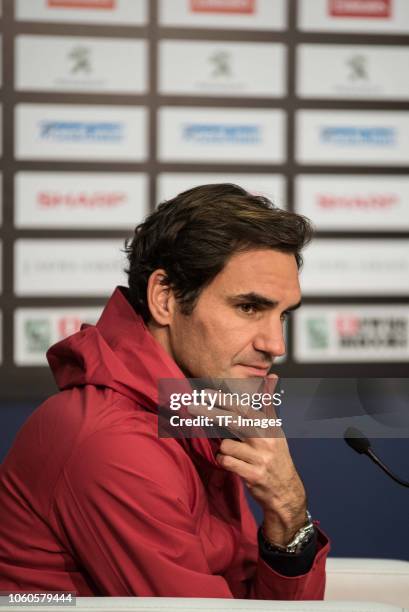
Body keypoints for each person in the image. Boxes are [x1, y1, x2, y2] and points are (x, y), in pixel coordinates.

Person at [0, 184, 329, 598]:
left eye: (281, 315)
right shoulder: (115, 442)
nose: (275, 344)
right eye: (249, 308)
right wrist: (286, 505)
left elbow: (245, 592)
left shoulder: (200, 409)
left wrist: (288, 515)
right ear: (164, 298)